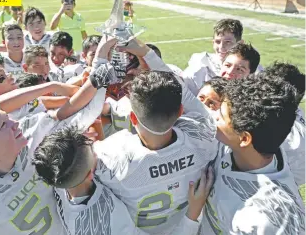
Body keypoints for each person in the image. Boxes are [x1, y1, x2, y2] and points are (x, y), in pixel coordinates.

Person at [0, 37, 121, 235]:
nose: (14, 123)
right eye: (3, 125)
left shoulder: (32, 133)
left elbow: (84, 112)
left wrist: (100, 61)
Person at [94, 70, 218, 234]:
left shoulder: (109, 156)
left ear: (132, 118)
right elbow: (200, 112)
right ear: (181, 112)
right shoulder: (204, 142)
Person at [33, 126, 214, 235]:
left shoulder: (57, 174)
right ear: (91, 173)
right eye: (94, 151)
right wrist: (193, 213)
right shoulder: (107, 221)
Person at [201, 74, 305, 234]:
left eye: (220, 116)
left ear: (244, 138)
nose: (213, 117)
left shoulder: (274, 218)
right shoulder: (243, 143)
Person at [182, 19, 262, 96]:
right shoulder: (200, 63)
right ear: (213, 42)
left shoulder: (254, 69)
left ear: (240, 43)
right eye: (217, 42)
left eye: (228, 42)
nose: (221, 47)